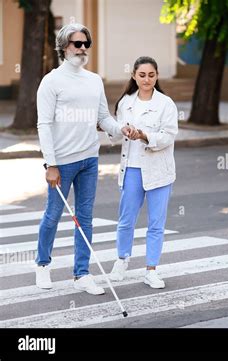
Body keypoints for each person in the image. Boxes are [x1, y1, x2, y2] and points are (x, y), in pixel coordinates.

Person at [35, 23, 133, 294]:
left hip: (89, 159)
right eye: (77, 44)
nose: (82, 49)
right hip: (62, 162)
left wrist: (120, 129)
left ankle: (82, 273)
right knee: (53, 215)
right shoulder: (51, 81)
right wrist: (50, 163)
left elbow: (103, 117)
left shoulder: (94, 80)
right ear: (64, 47)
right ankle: (43, 265)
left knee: (85, 218)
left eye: (86, 44)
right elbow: (43, 124)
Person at [107, 56, 178, 289]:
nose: (146, 79)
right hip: (132, 169)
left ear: (156, 76)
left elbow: (168, 136)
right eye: (142, 75)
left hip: (158, 170)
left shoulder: (166, 103)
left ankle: (151, 270)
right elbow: (114, 134)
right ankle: (121, 260)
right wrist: (121, 129)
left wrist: (145, 136)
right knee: (126, 219)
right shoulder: (125, 102)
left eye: (151, 75)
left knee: (156, 222)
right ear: (134, 76)